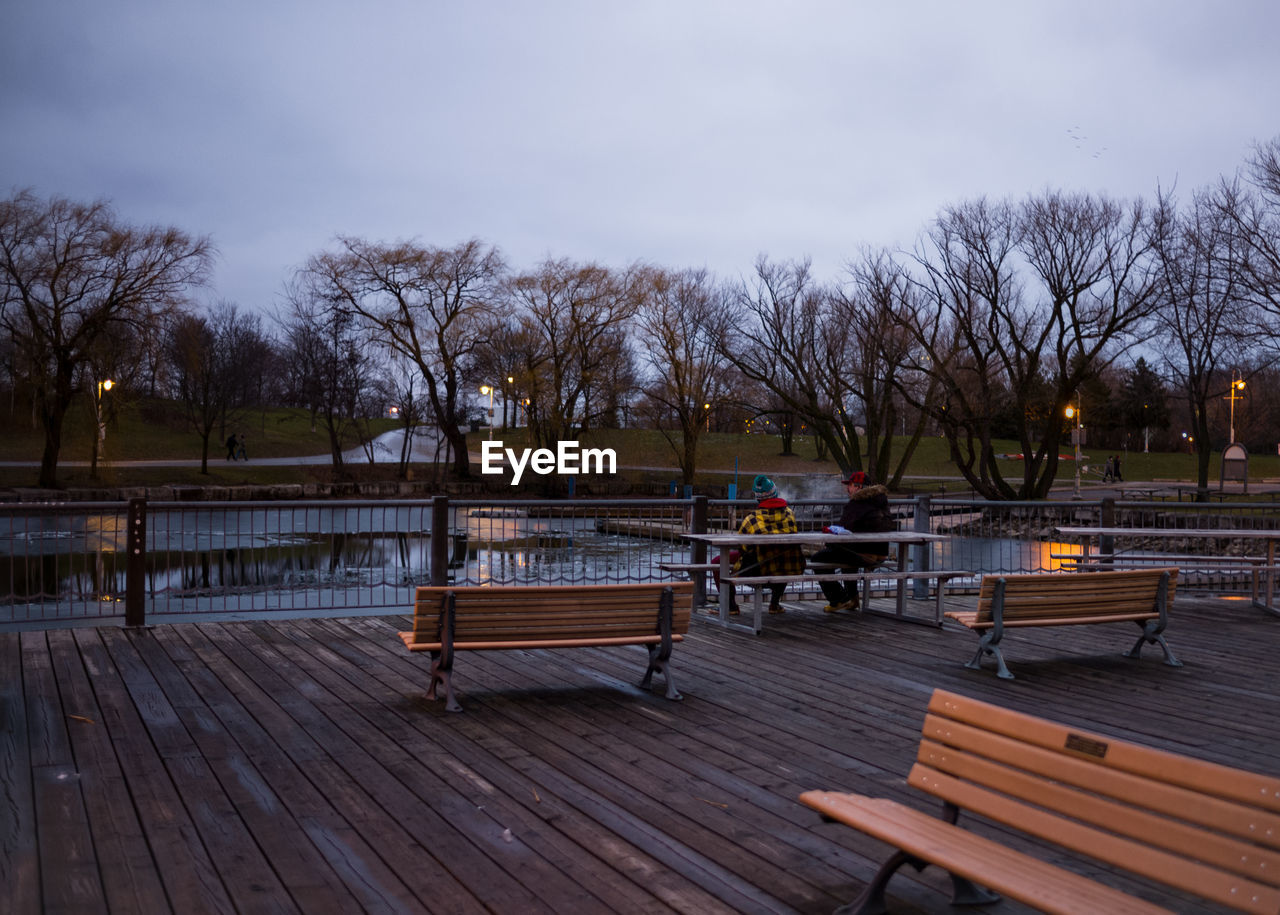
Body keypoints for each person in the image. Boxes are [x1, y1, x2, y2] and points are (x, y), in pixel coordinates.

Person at [712, 475, 805, 615]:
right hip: (789, 567)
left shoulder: (752, 519)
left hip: (760, 569)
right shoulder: (789, 514)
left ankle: (730, 605)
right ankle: (774, 604)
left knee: (717, 562)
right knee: (783, 555)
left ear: (758, 497)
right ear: (775, 493)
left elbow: (742, 546)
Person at [811, 470, 896, 612]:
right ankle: (854, 601)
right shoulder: (881, 502)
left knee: (818, 558)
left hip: (864, 556)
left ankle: (839, 599)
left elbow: (844, 531)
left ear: (858, 487)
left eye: (849, 485)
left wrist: (830, 541)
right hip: (881, 554)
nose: (847, 489)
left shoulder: (856, 505)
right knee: (847, 557)